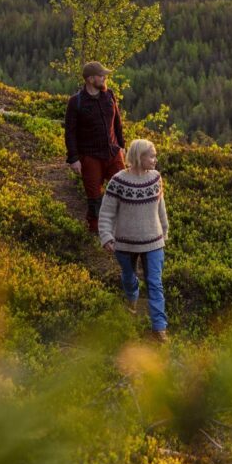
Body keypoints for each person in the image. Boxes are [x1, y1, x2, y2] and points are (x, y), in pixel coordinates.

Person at [98, 138, 170, 342]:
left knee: (155, 283)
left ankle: (159, 328)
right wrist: (106, 236)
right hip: (125, 242)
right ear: (139, 157)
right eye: (152, 156)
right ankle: (132, 301)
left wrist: (164, 230)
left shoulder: (156, 178)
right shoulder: (118, 181)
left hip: (153, 242)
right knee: (129, 279)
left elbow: (160, 206)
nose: (155, 160)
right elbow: (107, 212)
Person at [64, 61, 125, 235]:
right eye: (101, 75)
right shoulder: (76, 102)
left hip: (113, 153)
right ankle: (95, 232)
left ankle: (122, 227)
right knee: (94, 197)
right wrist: (74, 158)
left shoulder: (109, 95)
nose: (105, 77)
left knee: (123, 191)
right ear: (90, 79)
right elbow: (70, 133)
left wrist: (122, 146)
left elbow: (117, 123)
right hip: (90, 157)